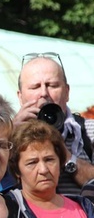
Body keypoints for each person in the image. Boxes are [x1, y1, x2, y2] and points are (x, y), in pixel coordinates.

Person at [15, 52, 94, 195]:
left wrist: (63, 153)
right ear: (20, 97)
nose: (44, 93)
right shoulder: (7, 136)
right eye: (35, 87)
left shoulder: (89, 131)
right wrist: (11, 137)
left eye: (52, 85)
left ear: (67, 92)